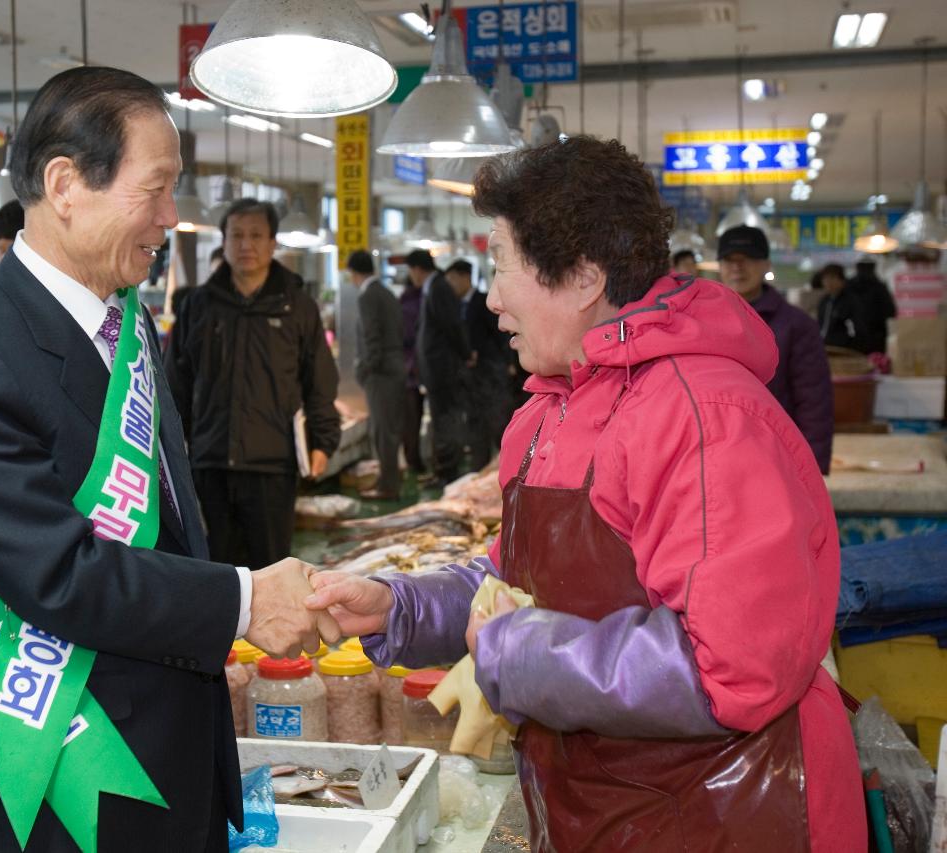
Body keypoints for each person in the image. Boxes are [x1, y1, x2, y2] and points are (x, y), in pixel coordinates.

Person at [307, 136, 863, 853]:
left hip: (728, 813)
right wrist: (400, 605)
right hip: (606, 805)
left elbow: (730, 667)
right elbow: (516, 587)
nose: (492, 297)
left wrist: (514, 652)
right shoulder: (550, 411)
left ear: (583, 278)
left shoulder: (705, 418)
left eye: (502, 265)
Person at [0, 66, 325, 852]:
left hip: (177, 744)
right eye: (155, 189)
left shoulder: (128, 327)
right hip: (65, 766)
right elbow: (58, 572)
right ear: (65, 184)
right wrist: (241, 599)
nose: (171, 217)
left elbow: (165, 525)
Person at [166, 198, 340, 567]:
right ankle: (221, 628)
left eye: (256, 235)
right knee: (214, 566)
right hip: (209, 460)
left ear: (273, 243)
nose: (246, 245)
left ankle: (269, 629)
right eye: (237, 235)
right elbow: (174, 382)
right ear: (224, 241)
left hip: (272, 462)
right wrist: (170, 447)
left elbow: (320, 381)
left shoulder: (297, 307)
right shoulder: (198, 305)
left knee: (271, 566)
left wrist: (323, 441)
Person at [717, 225, 833, 473]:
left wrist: (811, 469)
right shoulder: (702, 324)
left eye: (746, 259)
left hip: (777, 460)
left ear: (766, 265)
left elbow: (814, 402)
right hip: (719, 459)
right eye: (729, 260)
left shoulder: (796, 325)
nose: (737, 267)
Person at [410, 249, 471, 487]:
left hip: (443, 370)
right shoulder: (432, 288)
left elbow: (452, 325)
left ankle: (447, 473)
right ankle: (440, 470)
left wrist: (466, 354)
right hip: (434, 370)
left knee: (445, 421)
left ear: (417, 269)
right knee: (439, 421)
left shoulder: (438, 288)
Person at [346, 250, 403, 500]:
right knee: (389, 429)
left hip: (381, 373)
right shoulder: (387, 292)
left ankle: (387, 487)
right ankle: (388, 481)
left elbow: (372, 336)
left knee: (382, 431)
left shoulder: (368, 295)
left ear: (354, 273)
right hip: (394, 368)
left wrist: (366, 368)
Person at [452, 259, 511, 469]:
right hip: (469, 377)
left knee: (497, 422)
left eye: (453, 278)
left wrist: (507, 363)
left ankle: (506, 468)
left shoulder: (483, 301)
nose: (451, 284)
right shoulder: (455, 305)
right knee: (474, 423)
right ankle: (480, 468)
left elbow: (499, 335)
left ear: (464, 277)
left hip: (490, 372)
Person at [399, 264, 426, 474]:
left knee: (411, 419)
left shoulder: (405, 302)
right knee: (412, 418)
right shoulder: (416, 304)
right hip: (413, 371)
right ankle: (414, 460)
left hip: (408, 370)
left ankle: (413, 459)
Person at [848, 259, 898, 354]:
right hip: (877, 337)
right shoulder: (880, 286)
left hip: (854, 338)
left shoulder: (849, 287)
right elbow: (890, 312)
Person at [816, 262, 865, 350]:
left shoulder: (851, 301)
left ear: (842, 280)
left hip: (843, 349)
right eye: (825, 278)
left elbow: (857, 328)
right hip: (825, 347)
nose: (828, 282)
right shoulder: (824, 301)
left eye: (832, 278)